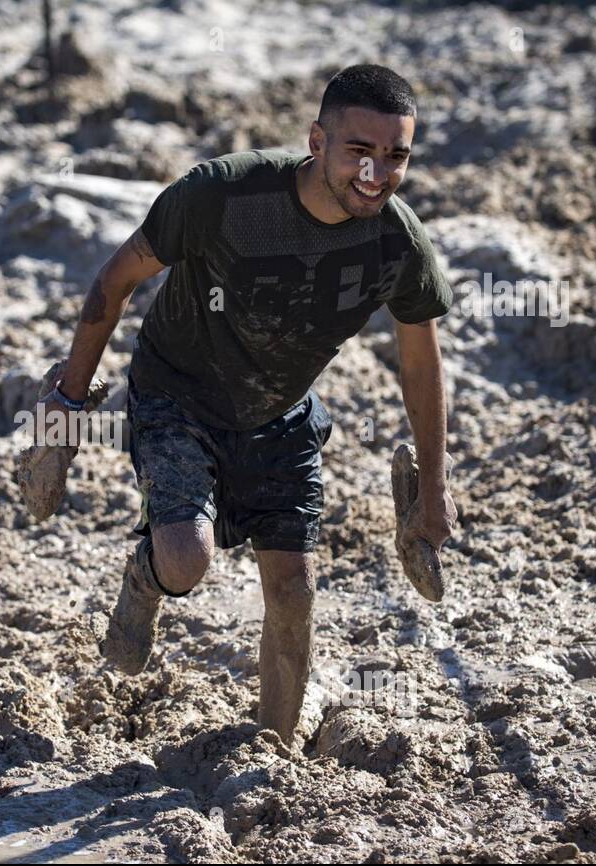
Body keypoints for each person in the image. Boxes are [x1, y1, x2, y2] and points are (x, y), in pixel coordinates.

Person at [28, 64, 457, 745]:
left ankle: (274, 754)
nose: (377, 174)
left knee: (294, 593)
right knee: (185, 557)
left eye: (396, 156)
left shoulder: (397, 242)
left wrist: (431, 489)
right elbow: (114, 280)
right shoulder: (222, 196)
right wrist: (63, 410)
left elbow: (420, 363)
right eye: (359, 152)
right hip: (177, 393)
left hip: (281, 415)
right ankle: (145, 577)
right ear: (317, 140)